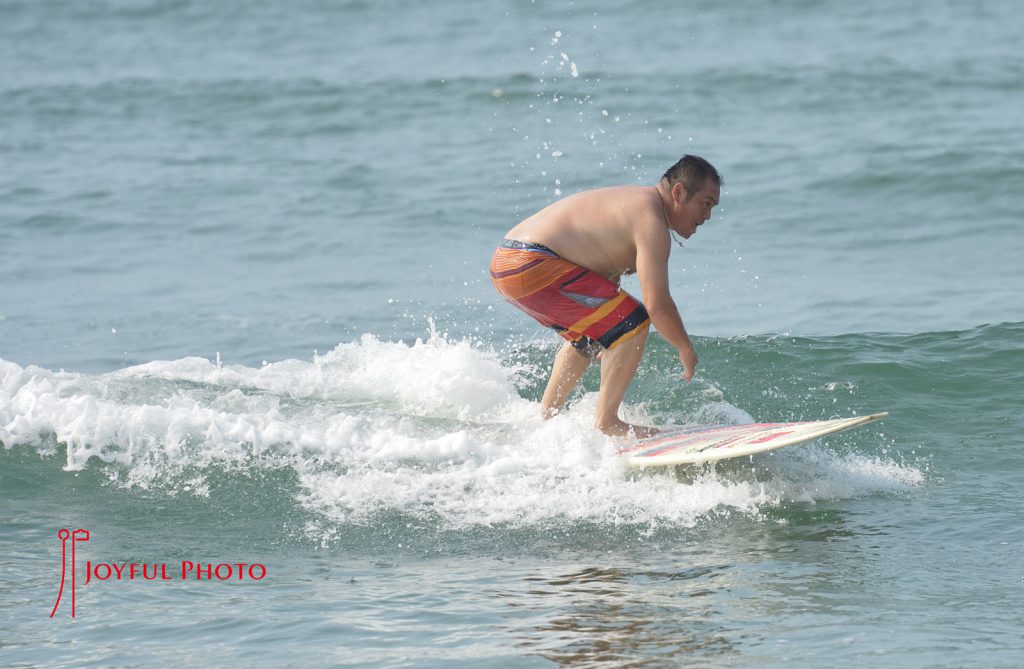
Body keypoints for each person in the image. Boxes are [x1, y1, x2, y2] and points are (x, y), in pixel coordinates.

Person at [490, 155, 722, 438]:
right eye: (706, 204)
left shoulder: (631, 203)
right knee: (633, 320)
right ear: (679, 193)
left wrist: (605, 334)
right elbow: (658, 305)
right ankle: (608, 422)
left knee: (586, 338)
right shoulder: (651, 218)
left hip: (506, 261)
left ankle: (546, 416)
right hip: (531, 262)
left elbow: (596, 271)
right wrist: (685, 348)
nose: (708, 216)